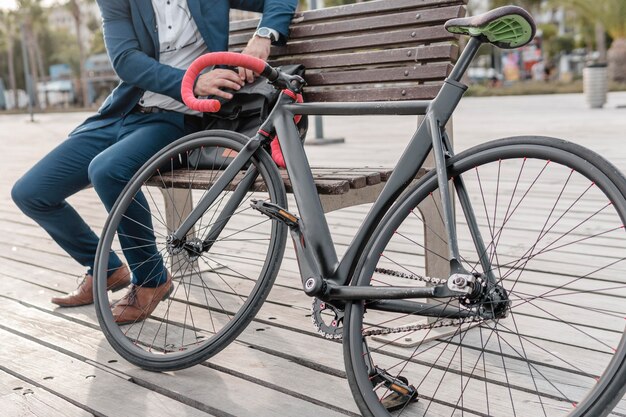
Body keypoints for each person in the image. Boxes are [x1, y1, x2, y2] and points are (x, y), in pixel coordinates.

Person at [11, 0, 297, 324]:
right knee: (31, 192)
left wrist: (263, 34)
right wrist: (190, 81)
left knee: (108, 170)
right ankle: (104, 269)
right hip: (122, 112)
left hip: (174, 120)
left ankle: (151, 278)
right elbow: (126, 61)